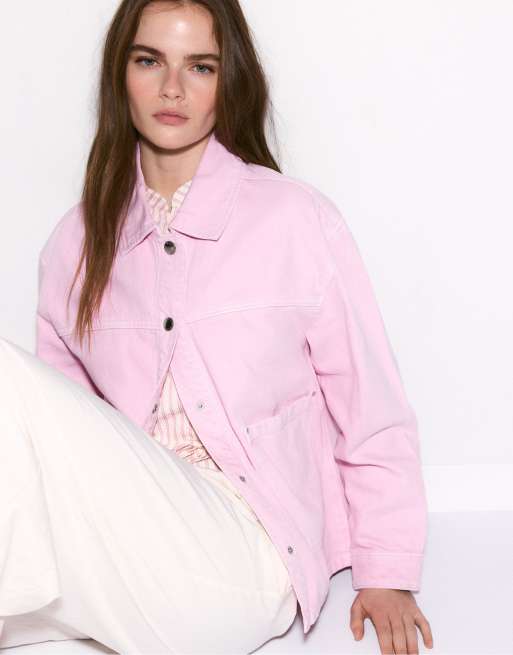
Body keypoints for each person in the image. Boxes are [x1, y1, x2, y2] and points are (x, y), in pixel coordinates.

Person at [0, 1, 434, 653]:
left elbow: (370, 408)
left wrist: (387, 569)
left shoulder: (294, 220)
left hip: (243, 558)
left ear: (229, 81)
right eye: (149, 61)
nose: (172, 88)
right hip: (122, 558)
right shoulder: (75, 245)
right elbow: (52, 451)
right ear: (120, 75)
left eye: (200, 66)